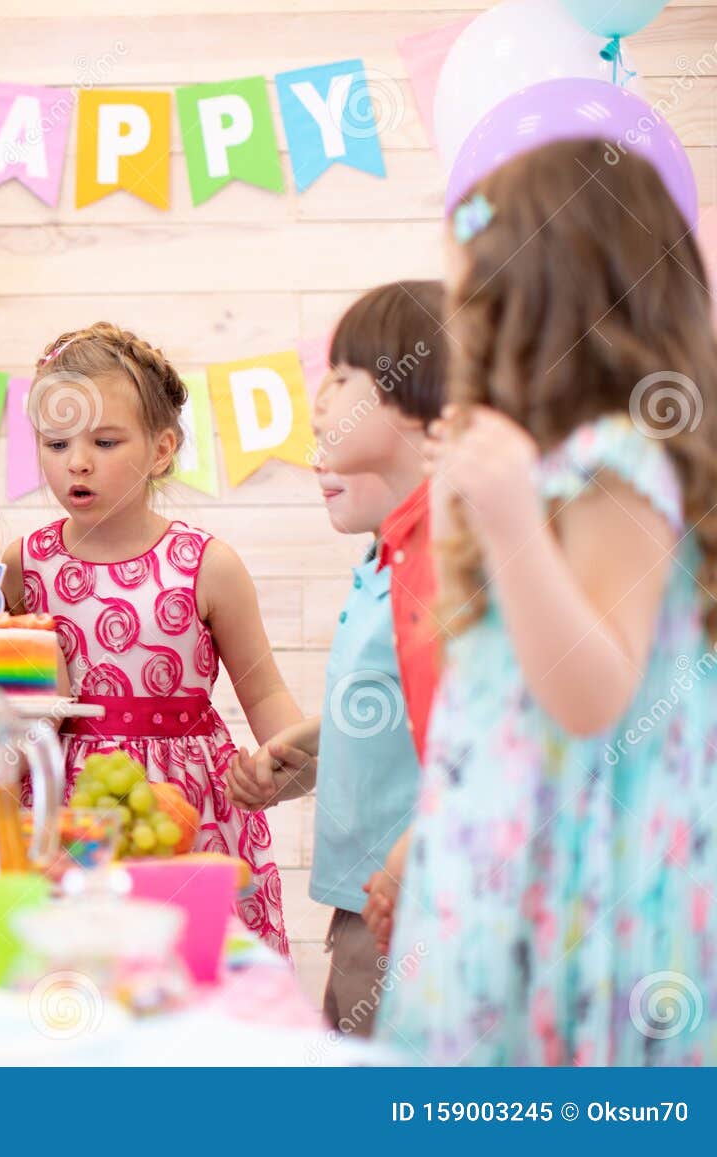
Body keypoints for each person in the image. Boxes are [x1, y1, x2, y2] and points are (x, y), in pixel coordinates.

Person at [377, 139, 717, 1065]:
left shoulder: (619, 462)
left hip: (587, 873)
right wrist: (470, 511)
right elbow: (479, 660)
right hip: (504, 849)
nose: (465, 323)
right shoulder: (538, 465)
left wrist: (513, 518)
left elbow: (594, 693)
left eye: (481, 293)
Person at [2, 323, 303, 955]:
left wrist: (285, 766)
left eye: (105, 441)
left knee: (193, 968)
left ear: (162, 449)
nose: (76, 462)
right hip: (65, 805)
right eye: (56, 443)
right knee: (72, 966)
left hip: (193, 805)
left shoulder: (207, 564)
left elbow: (266, 693)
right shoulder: (22, 566)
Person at [229, 281, 446, 1035]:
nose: (319, 403)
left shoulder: (444, 554)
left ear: (412, 394)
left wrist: (408, 857)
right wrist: (314, 748)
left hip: (415, 902)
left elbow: (477, 738)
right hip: (362, 896)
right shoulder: (379, 557)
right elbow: (404, 705)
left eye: (342, 377)